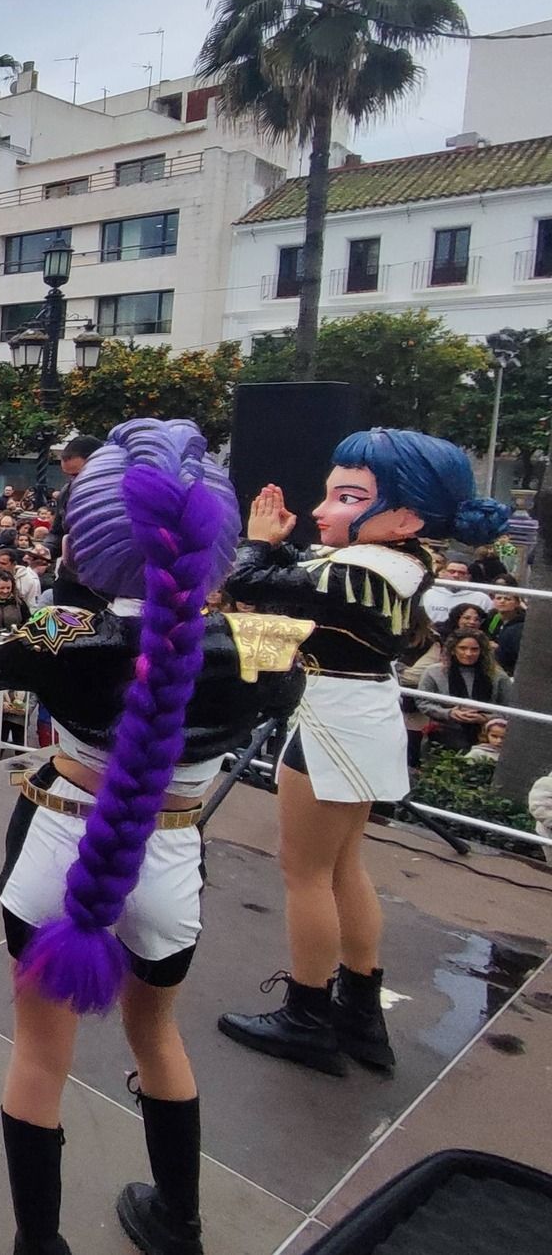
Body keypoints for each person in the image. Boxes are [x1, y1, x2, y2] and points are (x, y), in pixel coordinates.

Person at [0, 420, 306, 1255]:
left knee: (40, 1055)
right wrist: (254, 568)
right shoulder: (259, 644)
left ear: (87, 539)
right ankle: (179, 1223)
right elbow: (289, 674)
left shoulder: (69, 632)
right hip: (170, 858)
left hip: (55, 849)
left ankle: (37, 1244)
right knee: (157, 1036)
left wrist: (66, 605)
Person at [219, 429, 510, 1079]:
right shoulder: (405, 562)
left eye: (347, 497)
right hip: (363, 710)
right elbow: (306, 583)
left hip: (334, 717)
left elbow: (252, 583)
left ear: (406, 514)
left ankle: (307, 1014)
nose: (324, 510)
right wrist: (281, 547)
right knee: (346, 866)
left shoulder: (356, 568)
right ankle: (358, 1013)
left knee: (304, 872)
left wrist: (260, 538)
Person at [413, 628, 514, 755]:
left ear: (482, 651)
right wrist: (449, 713)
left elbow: (510, 708)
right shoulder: (433, 672)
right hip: (442, 738)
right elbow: (423, 702)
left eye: (474, 649)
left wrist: (486, 718)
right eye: (462, 648)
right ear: (453, 649)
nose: (468, 653)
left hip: (486, 743)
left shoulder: (498, 676)